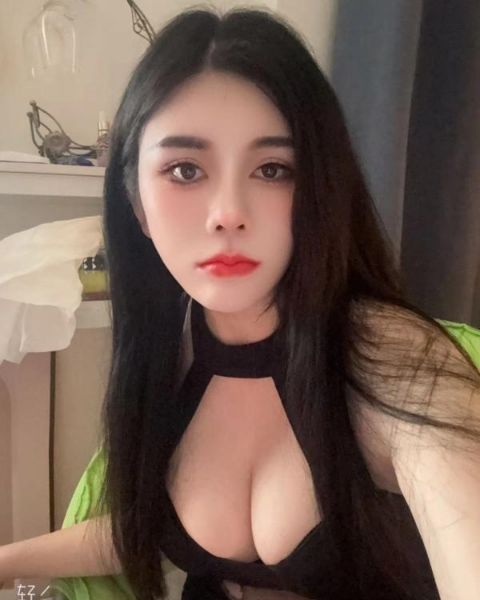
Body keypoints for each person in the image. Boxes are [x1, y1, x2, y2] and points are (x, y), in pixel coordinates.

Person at [1, 6, 480, 600]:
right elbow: (147, 528)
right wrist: (9, 560)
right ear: (136, 203)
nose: (228, 213)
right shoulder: (166, 346)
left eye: (273, 169)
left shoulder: (396, 358)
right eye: (184, 170)